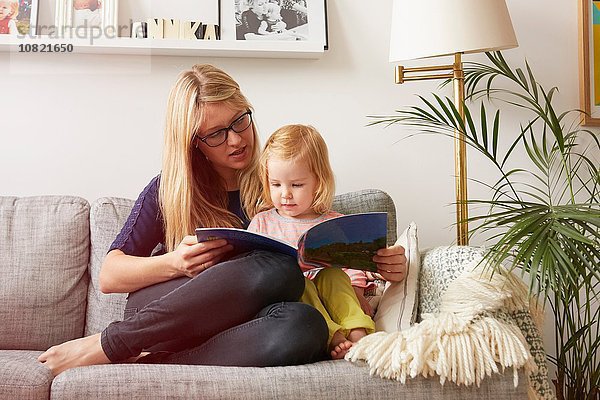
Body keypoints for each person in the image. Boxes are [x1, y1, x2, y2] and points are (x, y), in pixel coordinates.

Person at [37, 64, 408, 376]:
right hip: (168, 312)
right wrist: (174, 263)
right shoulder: (170, 189)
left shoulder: (276, 185)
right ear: (193, 141)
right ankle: (114, 343)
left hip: (241, 329)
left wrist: (386, 264)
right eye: (216, 134)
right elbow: (109, 275)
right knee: (276, 270)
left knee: (305, 326)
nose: (235, 140)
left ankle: (157, 362)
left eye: (239, 121)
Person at [248, 124, 376, 359]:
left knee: (336, 275)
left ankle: (358, 330)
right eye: (276, 184)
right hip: (296, 299)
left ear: (318, 181)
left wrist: (356, 290)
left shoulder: (335, 223)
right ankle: (333, 337)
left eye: (296, 185)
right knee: (300, 283)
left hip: (332, 294)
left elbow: (353, 265)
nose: (285, 193)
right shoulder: (262, 222)